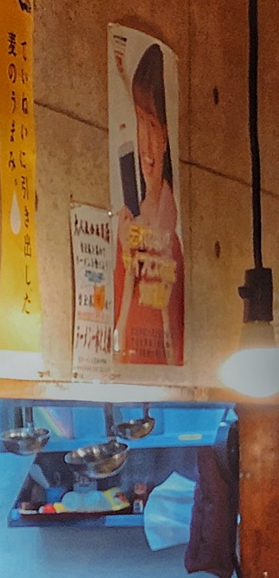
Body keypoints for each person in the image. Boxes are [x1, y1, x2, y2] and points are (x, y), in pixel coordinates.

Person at [113, 41, 185, 365]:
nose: (146, 146)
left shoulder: (174, 244)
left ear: (167, 135)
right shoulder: (131, 227)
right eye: (140, 123)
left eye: (153, 126)